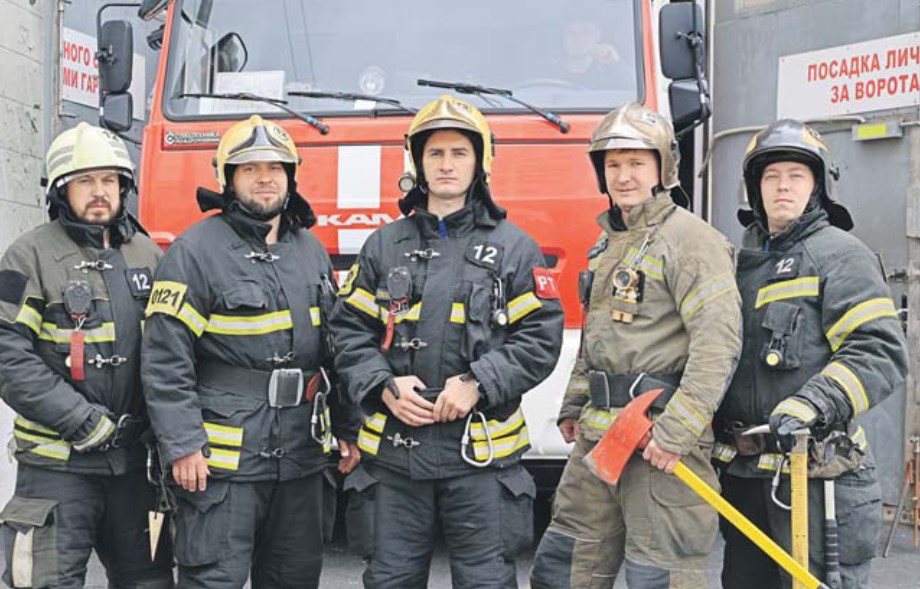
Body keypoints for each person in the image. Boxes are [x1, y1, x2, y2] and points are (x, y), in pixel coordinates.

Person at [331, 94, 564, 589]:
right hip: (395, 458)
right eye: (435, 153)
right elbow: (348, 331)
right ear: (417, 162)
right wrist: (382, 385)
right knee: (390, 581)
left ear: (480, 162)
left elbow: (540, 340)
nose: (446, 164)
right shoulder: (383, 245)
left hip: (479, 460)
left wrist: (477, 383)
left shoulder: (513, 248)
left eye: (459, 152)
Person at [141, 115, 360, 589]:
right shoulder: (194, 251)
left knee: (293, 577)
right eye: (250, 168)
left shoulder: (311, 250)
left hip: (301, 457)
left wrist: (348, 426)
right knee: (213, 579)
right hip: (222, 465)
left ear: (291, 176)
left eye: (276, 167)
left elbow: (336, 349)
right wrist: (183, 445)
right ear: (228, 179)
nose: (265, 177)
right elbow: (165, 357)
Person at [530, 102, 742, 589]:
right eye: (613, 164)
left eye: (636, 163)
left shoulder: (692, 241)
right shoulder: (608, 245)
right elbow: (597, 335)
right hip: (599, 439)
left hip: (657, 441)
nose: (624, 175)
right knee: (564, 568)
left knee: (659, 576)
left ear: (662, 168)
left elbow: (718, 342)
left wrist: (676, 432)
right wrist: (576, 401)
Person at [714, 119, 908, 589]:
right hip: (745, 482)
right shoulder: (737, 266)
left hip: (816, 480)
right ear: (754, 188)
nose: (783, 186)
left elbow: (879, 350)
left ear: (818, 187)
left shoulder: (840, 254)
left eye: (796, 176)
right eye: (771, 175)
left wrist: (813, 403)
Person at [0, 123, 173, 588]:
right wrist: (80, 419)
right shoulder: (28, 257)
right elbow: (7, 353)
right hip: (59, 468)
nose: (100, 192)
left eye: (109, 181)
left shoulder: (147, 255)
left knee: (150, 582)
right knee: (47, 582)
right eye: (85, 181)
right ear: (62, 191)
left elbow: (173, 350)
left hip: (136, 466)